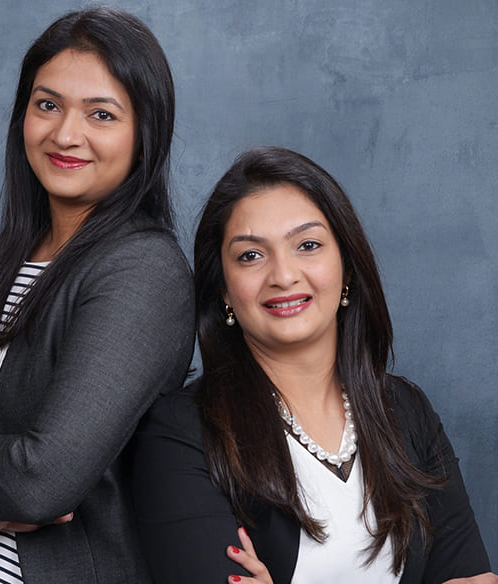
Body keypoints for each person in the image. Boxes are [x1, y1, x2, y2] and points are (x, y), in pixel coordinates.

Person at [0, 7, 194, 583]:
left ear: (143, 136)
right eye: (47, 104)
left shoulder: (143, 269)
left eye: (101, 114)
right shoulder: (2, 260)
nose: (64, 134)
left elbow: (39, 482)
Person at [132, 147, 495, 583]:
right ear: (224, 291)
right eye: (250, 255)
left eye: (308, 245)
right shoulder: (182, 432)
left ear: (346, 267)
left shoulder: (405, 410)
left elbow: (474, 579)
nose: (283, 275)